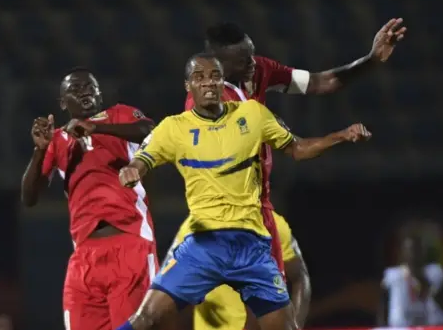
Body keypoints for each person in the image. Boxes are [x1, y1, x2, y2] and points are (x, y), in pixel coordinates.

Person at [115, 53, 371, 330]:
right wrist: (133, 170)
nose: (208, 83)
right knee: (146, 319)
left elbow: (296, 147)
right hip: (204, 245)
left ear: (222, 80)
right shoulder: (174, 128)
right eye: (199, 77)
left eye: (214, 76)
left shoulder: (252, 114)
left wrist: (340, 136)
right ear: (188, 85)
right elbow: (143, 158)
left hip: (251, 246)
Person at [184, 19, 406, 301]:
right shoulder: (205, 102)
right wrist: (261, 127)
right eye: (242, 60)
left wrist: (371, 60)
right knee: (234, 306)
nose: (252, 63)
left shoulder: (260, 70)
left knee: (271, 303)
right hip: (220, 216)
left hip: (257, 208)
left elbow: (320, 82)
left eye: (251, 53)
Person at [21, 68, 158, 330]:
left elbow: (149, 130)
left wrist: (95, 127)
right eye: (75, 89)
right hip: (84, 255)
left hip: (129, 243)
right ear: (62, 103)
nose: (84, 91)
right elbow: (29, 197)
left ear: (99, 93)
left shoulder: (120, 115)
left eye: (89, 86)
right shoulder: (58, 140)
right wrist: (40, 151)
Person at [169, 211, 310, 330]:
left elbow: (299, 277)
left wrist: (294, 324)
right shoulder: (192, 229)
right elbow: (170, 288)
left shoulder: (272, 224)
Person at [378, 235, 443, 327]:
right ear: (403, 252)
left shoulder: (436, 276)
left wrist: (428, 288)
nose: (413, 254)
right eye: (410, 250)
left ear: (423, 252)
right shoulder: (393, 278)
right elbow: (382, 311)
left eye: (417, 250)